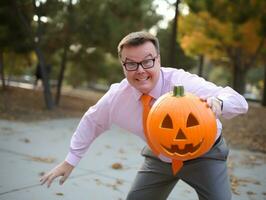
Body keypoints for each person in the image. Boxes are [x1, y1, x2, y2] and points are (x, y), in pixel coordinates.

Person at [40, 31, 248, 200]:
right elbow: (92, 121)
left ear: (158, 60)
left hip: (204, 155)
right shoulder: (117, 97)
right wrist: (69, 161)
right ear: (123, 66)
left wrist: (219, 103)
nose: (140, 70)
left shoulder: (182, 82)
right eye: (131, 64)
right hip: (159, 155)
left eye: (147, 62)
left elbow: (239, 102)